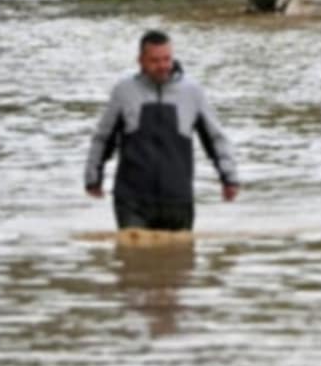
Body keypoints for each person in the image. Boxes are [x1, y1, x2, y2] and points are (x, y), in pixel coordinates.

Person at [85, 31, 240, 231]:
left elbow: (215, 138)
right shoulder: (124, 91)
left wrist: (229, 178)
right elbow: (103, 138)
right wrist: (92, 178)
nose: (162, 66)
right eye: (155, 60)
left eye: (167, 59)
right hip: (133, 200)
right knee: (133, 259)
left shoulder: (192, 92)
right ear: (140, 60)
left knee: (179, 260)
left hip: (177, 200)